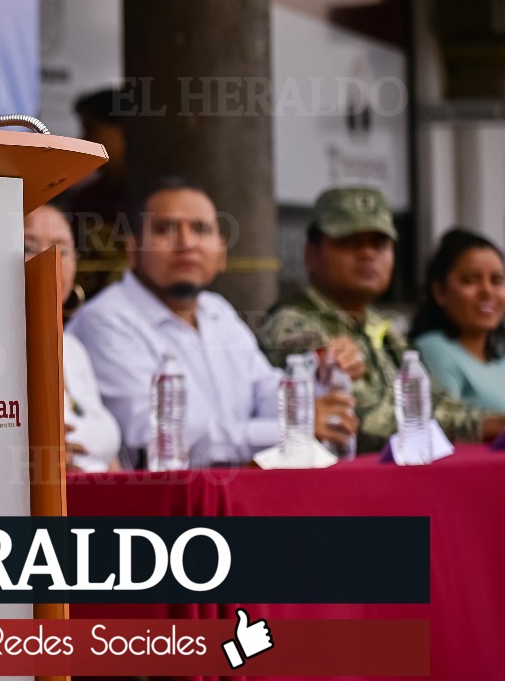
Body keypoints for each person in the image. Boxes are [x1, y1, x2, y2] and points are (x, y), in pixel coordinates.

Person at [70, 177, 356, 467]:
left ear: (221, 252)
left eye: (200, 229)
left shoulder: (216, 310)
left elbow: (263, 390)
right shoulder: (106, 319)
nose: (186, 242)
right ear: (132, 250)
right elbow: (162, 435)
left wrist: (313, 384)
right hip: (161, 504)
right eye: (165, 229)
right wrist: (290, 428)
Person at [260, 187, 505, 453]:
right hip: (334, 487)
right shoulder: (292, 323)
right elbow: (359, 423)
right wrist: (474, 426)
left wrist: (492, 422)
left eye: (379, 244)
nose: (368, 254)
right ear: (311, 254)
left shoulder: (380, 325)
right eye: (350, 242)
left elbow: (435, 400)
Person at [24, 202, 121, 472]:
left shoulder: (74, 349)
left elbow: (110, 460)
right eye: (28, 247)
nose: (49, 258)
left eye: (62, 249)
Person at [409, 229, 505, 413]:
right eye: (471, 280)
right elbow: (447, 425)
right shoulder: (434, 349)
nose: (487, 291)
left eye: (497, 280)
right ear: (439, 292)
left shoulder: (500, 355)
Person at [59, 87, 130, 301]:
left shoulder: (152, 197)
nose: (84, 139)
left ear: (123, 130)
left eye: (91, 129)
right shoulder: (87, 199)